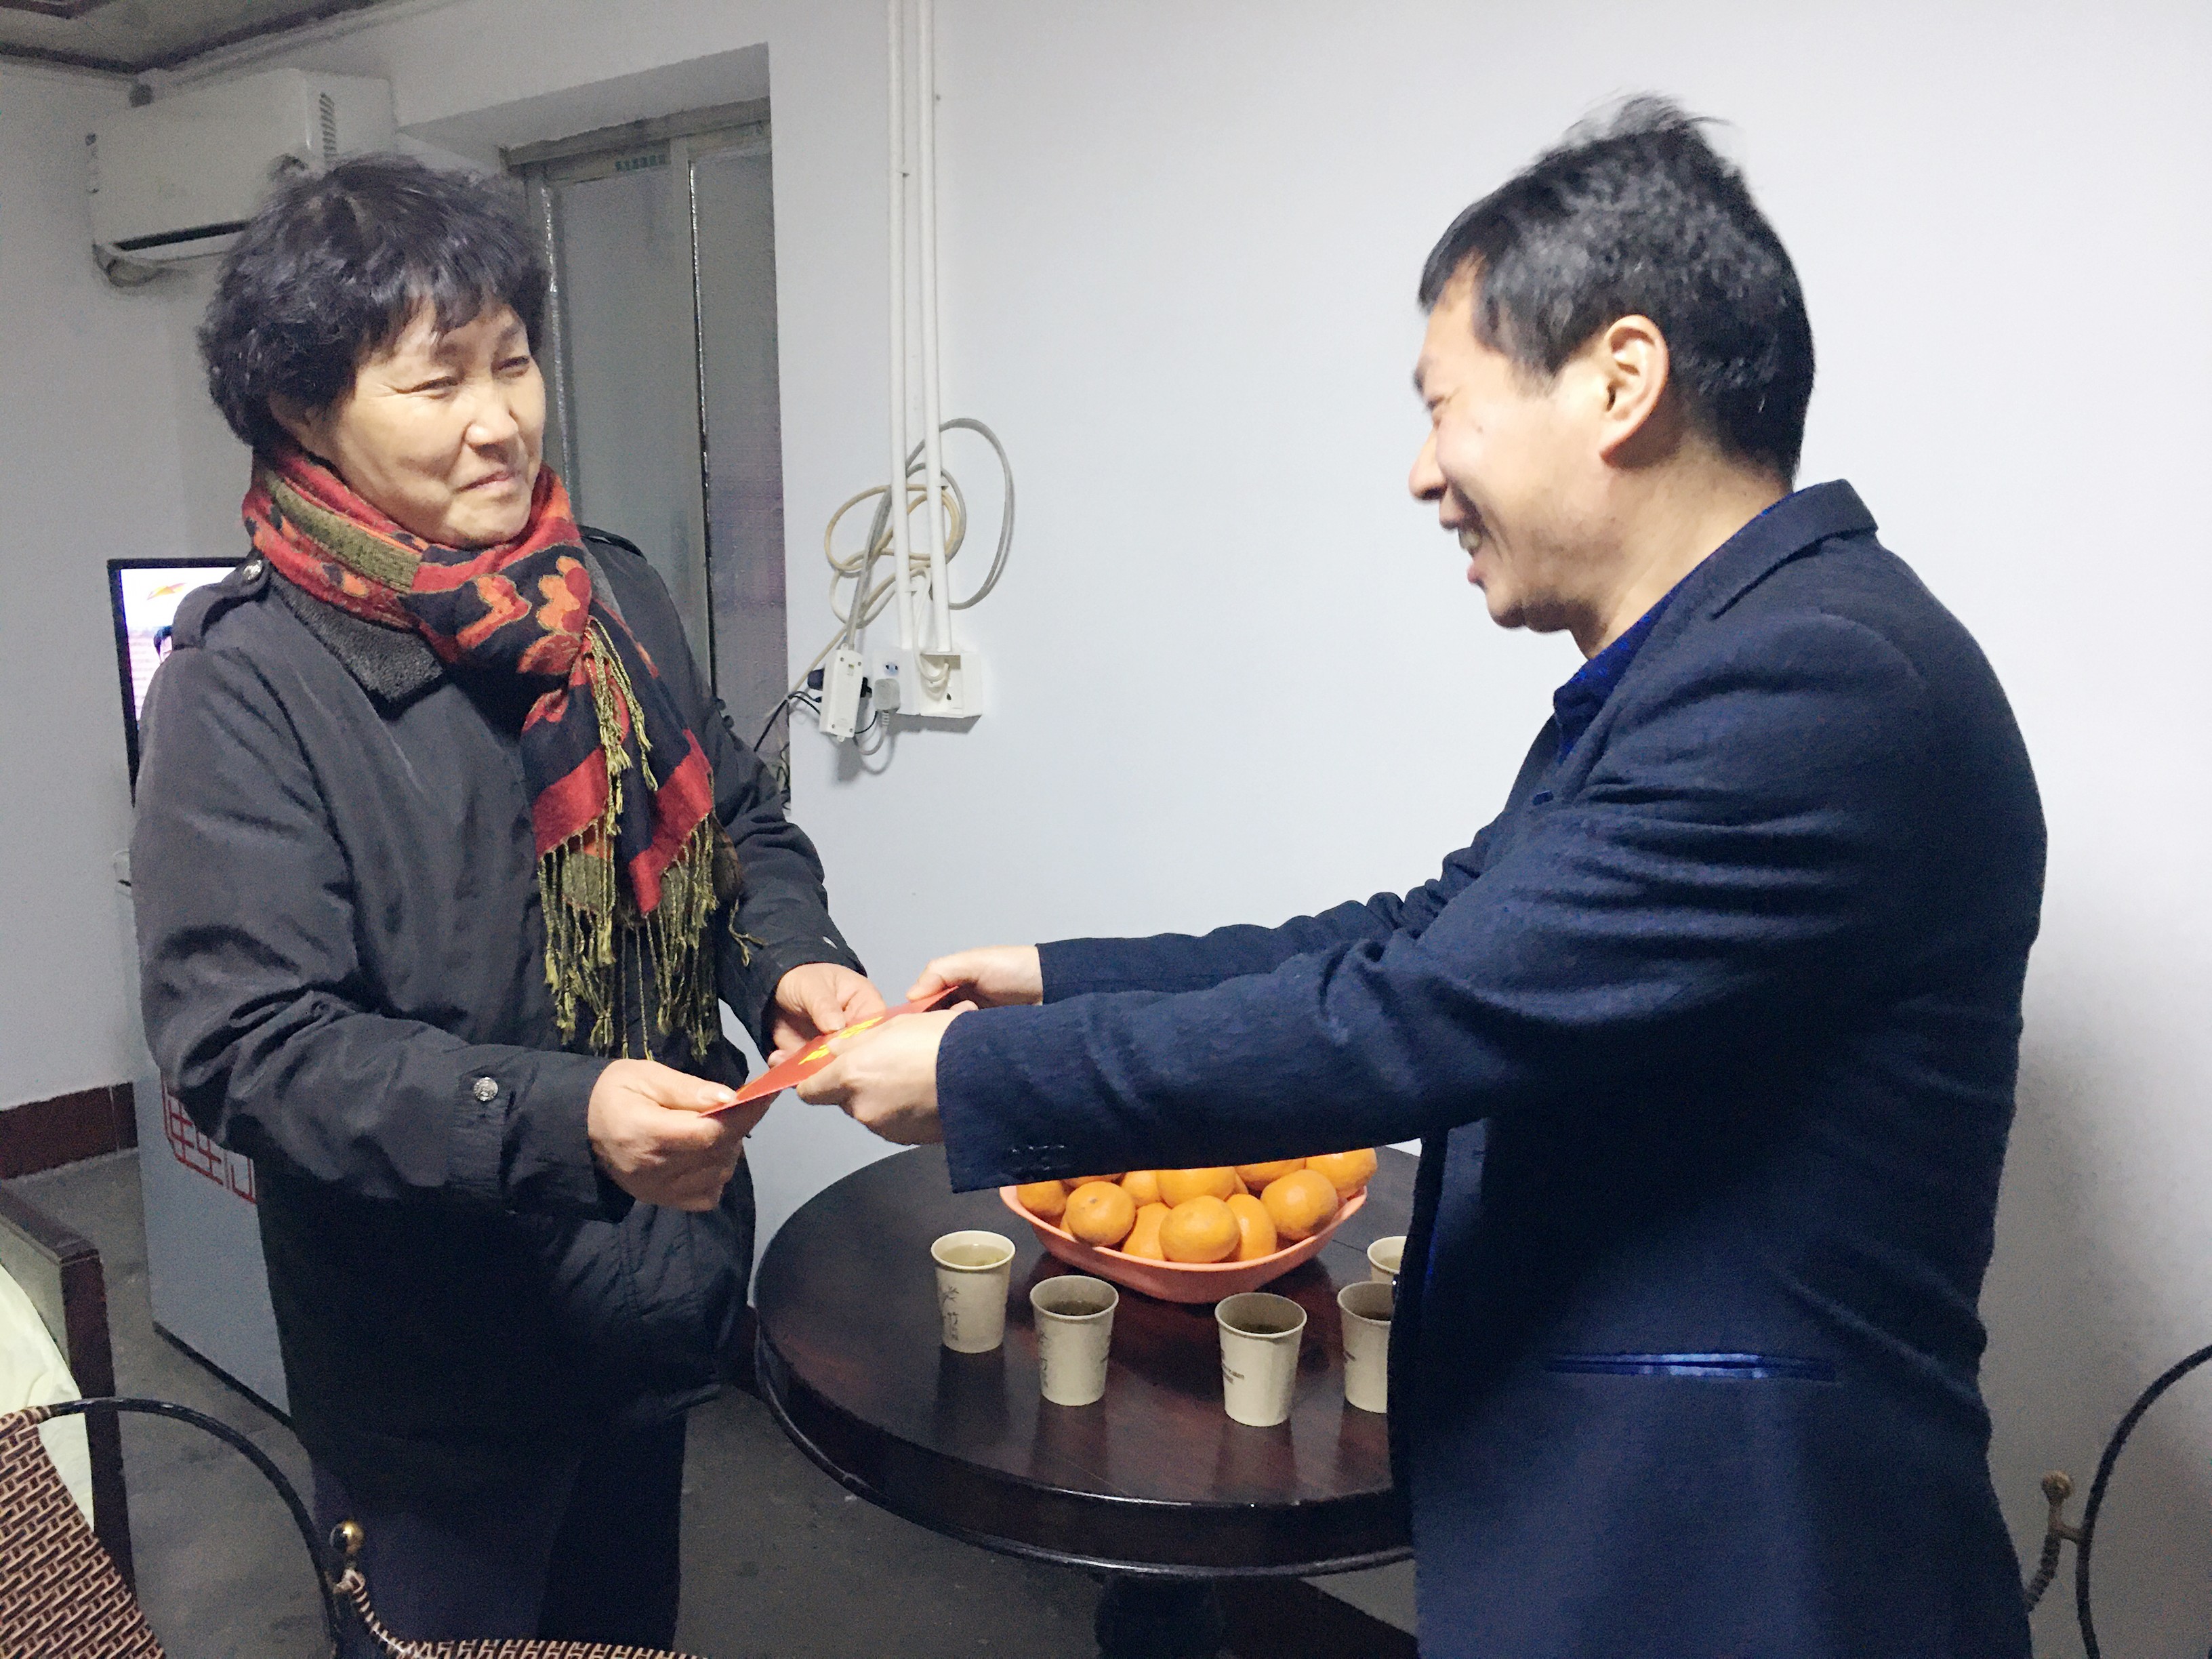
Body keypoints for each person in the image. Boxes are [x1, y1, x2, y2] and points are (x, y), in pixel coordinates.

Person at [800, 100, 2045, 1657]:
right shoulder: (1711, 670)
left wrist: (973, 1077)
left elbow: (1409, 1016)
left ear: (1621, 381)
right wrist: (1056, 980)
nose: (1420, 473)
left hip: (1748, 1571)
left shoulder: (1818, 689)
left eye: (1445, 408)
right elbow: (1424, 934)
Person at [132, 156, 881, 1651]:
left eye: (515, 361)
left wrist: (792, 966)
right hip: (434, 1368)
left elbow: (734, 820)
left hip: (644, 1297)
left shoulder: (606, 595)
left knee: (620, 1628)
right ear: (302, 410)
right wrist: (563, 1119)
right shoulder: (246, 684)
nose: (499, 419)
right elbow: (252, 1047)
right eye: (437, 381)